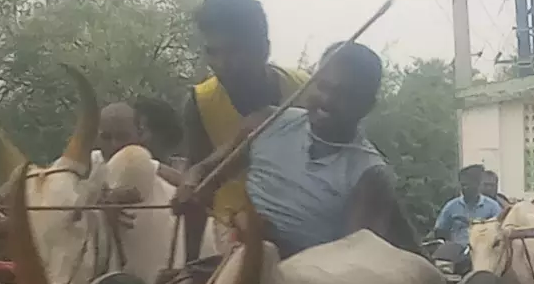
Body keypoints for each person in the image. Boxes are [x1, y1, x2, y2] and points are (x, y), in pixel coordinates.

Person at [174, 41, 418, 262]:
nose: (327, 100)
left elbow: (353, 266)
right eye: (322, 86)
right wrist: (191, 185)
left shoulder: (370, 175)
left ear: (367, 106)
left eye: (345, 95)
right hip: (237, 260)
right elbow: (205, 172)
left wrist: (272, 243)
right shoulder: (266, 122)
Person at [180, 0, 309, 258]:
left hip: (304, 231)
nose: (222, 63)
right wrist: (189, 267)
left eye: (234, 50)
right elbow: (200, 185)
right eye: (213, 52)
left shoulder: (306, 89)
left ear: (264, 48)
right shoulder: (200, 101)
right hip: (232, 236)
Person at [433, 164, 504, 247]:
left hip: (483, 250)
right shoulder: (451, 206)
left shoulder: (492, 207)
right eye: (463, 185)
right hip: (457, 249)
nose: (465, 188)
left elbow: (501, 231)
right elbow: (440, 230)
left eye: (468, 185)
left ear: (477, 185)